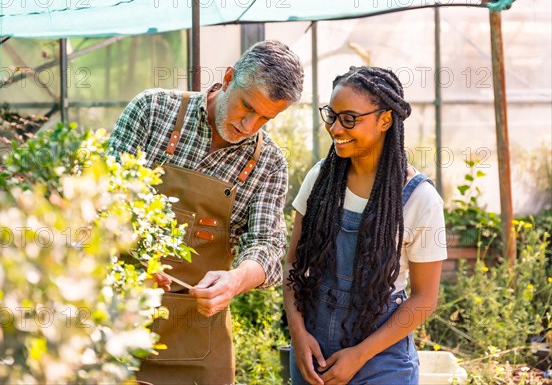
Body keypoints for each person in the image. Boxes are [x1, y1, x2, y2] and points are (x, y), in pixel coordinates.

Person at [107, 40, 304, 385]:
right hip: (118, 320)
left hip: (197, 336)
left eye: (265, 118)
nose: (249, 125)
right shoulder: (152, 111)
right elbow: (103, 197)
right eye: (246, 107)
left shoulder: (269, 163)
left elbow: (268, 248)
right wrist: (135, 255)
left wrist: (235, 280)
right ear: (228, 78)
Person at [284, 66, 447, 385]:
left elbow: (424, 298)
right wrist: (298, 334)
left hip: (380, 359)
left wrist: (360, 355)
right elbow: (293, 264)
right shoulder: (321, 179)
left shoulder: (420, 200)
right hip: (311, 351)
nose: (334, 128)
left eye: (349, 118)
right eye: (331, 115)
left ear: (385, 120)